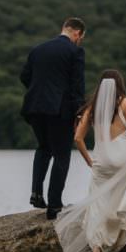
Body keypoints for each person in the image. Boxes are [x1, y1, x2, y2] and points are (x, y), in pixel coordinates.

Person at [53, 69, 126, 252]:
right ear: (120, 84)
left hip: (101, 161)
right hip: (122, 159)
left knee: (98, 204)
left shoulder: (92, 107)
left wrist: (89, 161)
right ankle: (117, 235)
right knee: (121, 196)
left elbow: (78, 138)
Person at [20, 17, 86, 220]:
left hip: (34, 107)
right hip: (59, 109)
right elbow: (77, 85)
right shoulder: (75, 52)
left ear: (63, 29)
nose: (79, 41)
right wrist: (79, 113)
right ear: (77, 33)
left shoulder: (38, 49)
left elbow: (24, 76)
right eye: (81, 38)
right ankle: (54, 205)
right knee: (62, 155)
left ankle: (36, 193)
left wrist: (38, 92)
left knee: (43, 147)